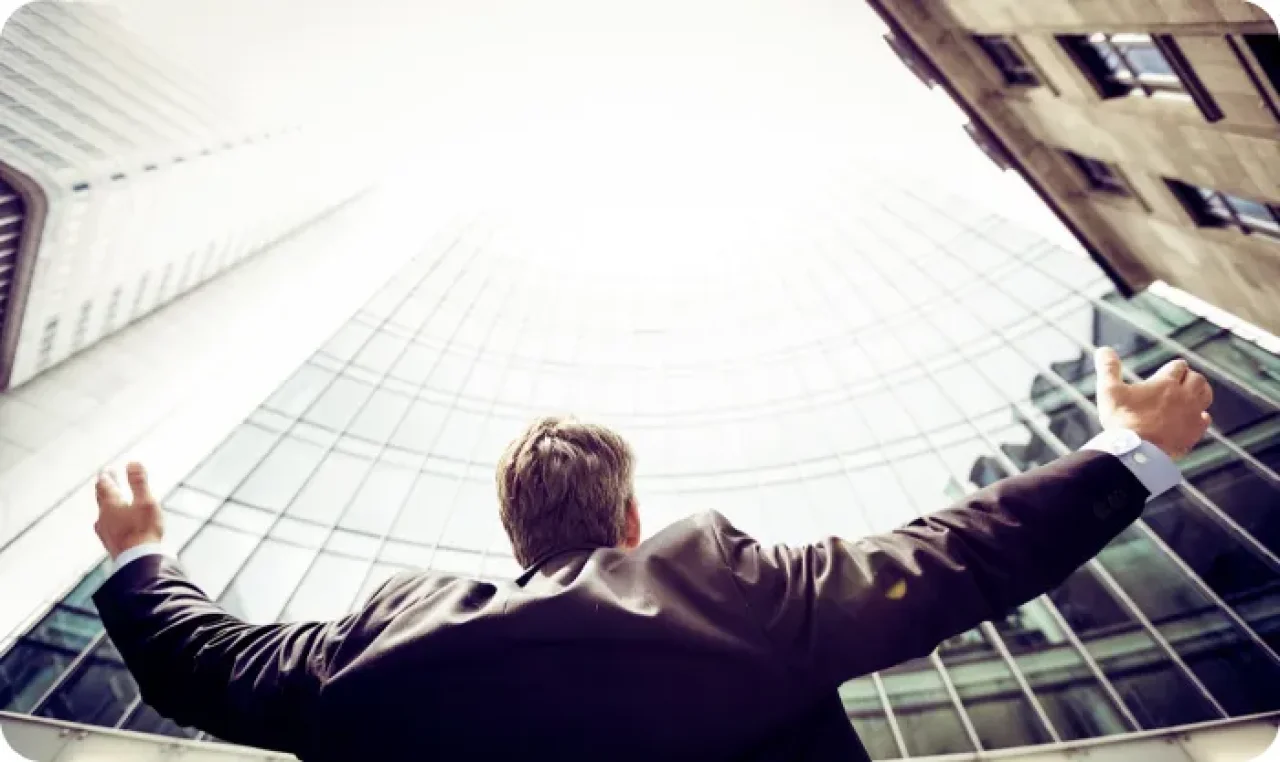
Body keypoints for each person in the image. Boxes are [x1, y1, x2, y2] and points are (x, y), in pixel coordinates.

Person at [92, 347, 1212, 761]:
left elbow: (198, 664)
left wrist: (142, 555)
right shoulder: (727, 589)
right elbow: (957, 554)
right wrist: (1128, 452)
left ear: (516, 538)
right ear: (629, 521)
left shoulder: (376, 651)